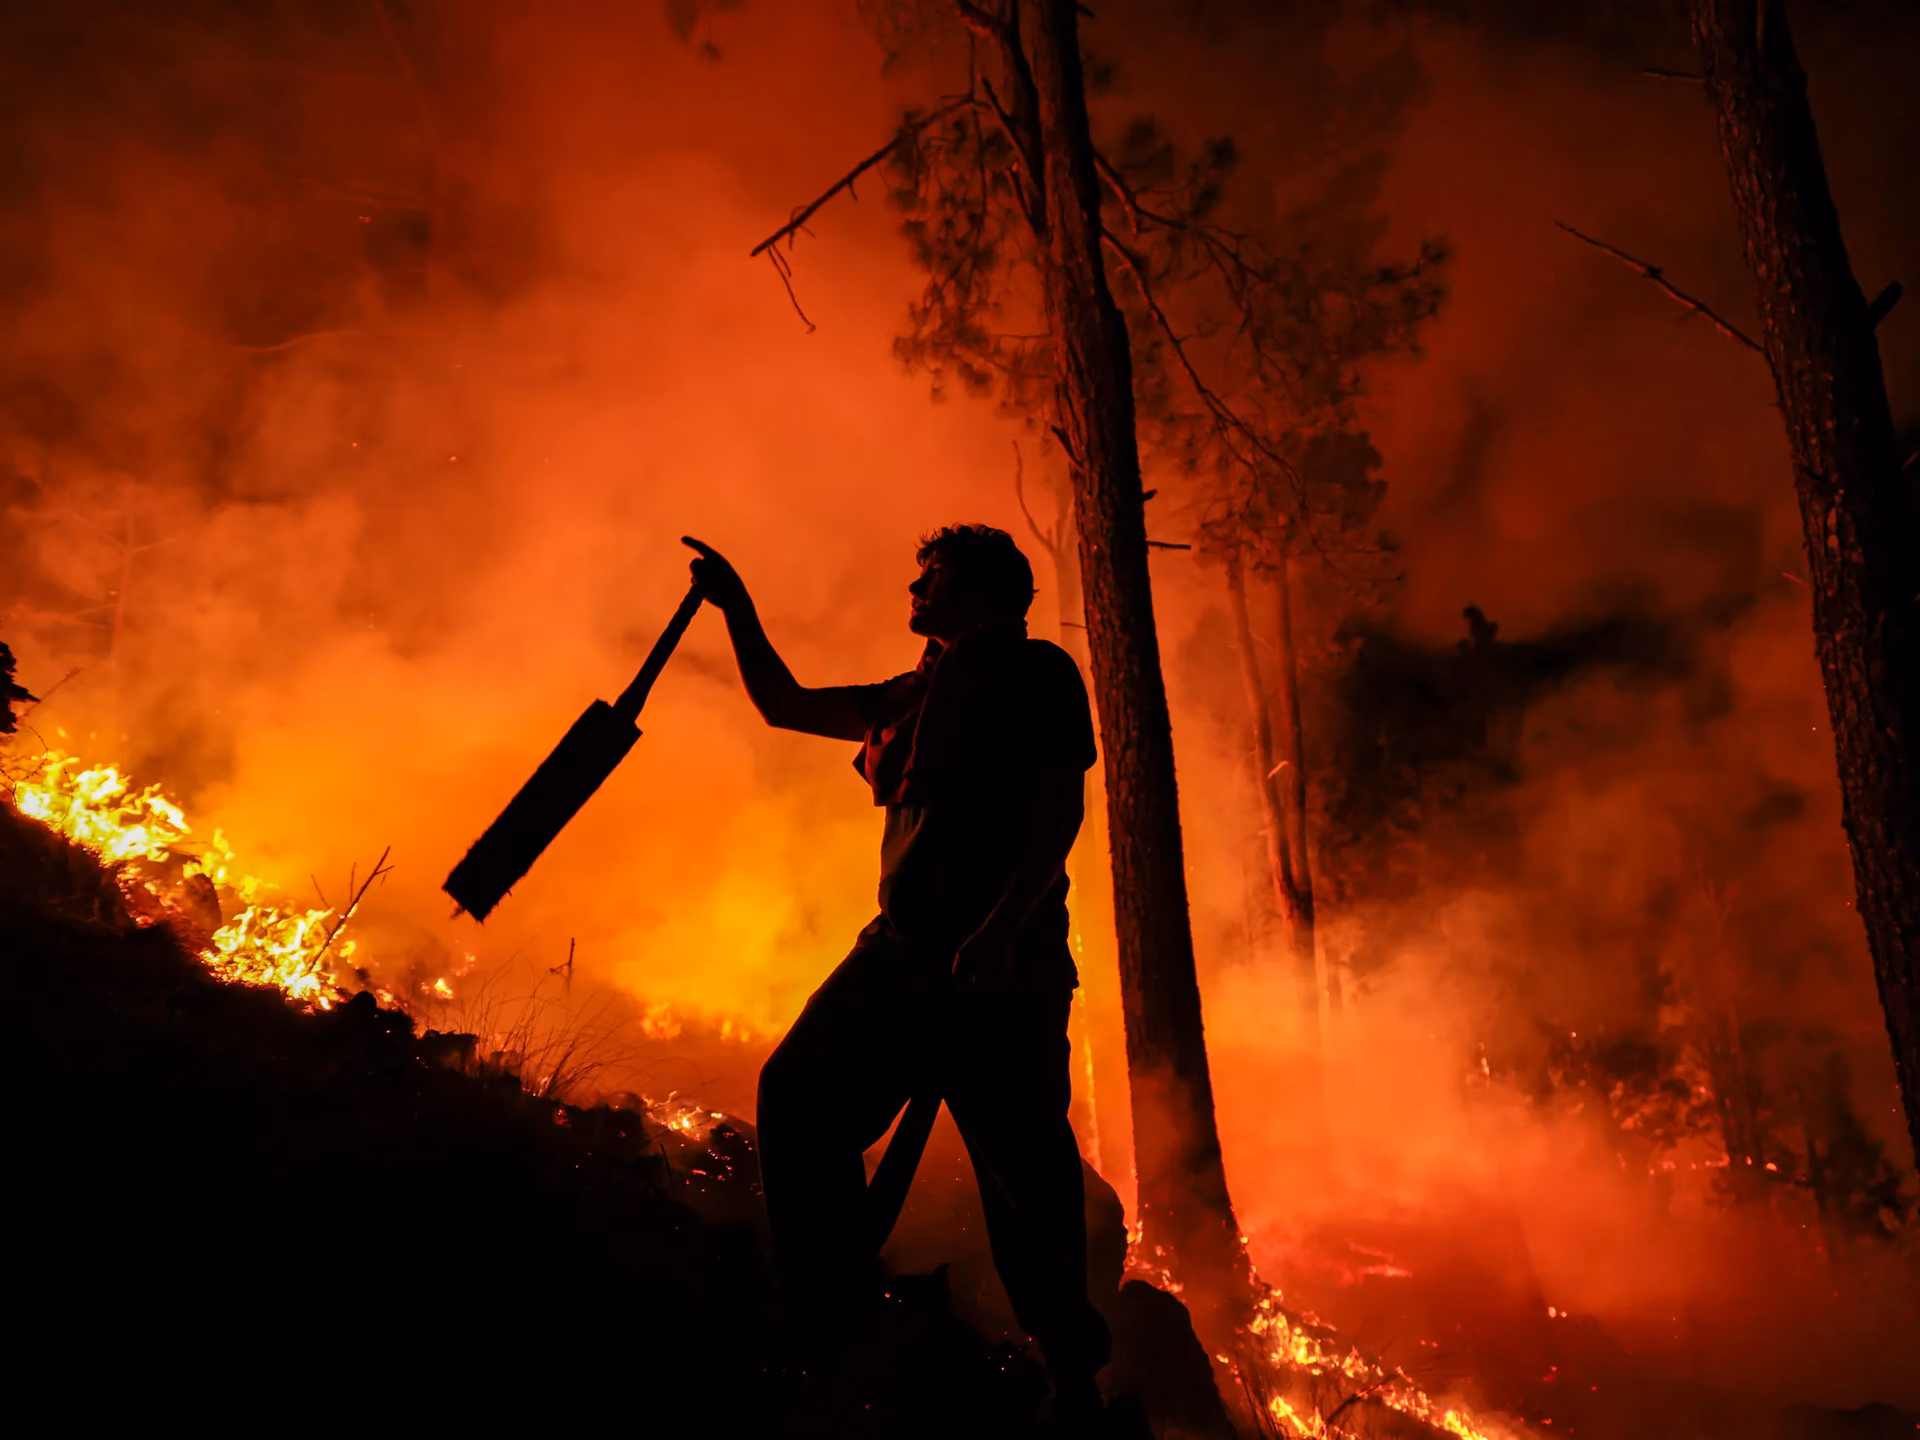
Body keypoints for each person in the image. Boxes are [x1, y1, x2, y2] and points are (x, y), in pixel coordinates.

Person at [683, 526, 1111, 1414]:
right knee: (798, 1096)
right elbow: (784, 703)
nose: (913, 589)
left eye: (934, 576)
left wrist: (998, 931)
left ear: (990, 589)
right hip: (904, 953)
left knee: (1025, 1178)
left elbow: (1057, 813)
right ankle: (833, 1316)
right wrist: (739, 607)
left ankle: (1072, 1376)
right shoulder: (916, 695)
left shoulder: (1038, 677)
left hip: (1007, 967)